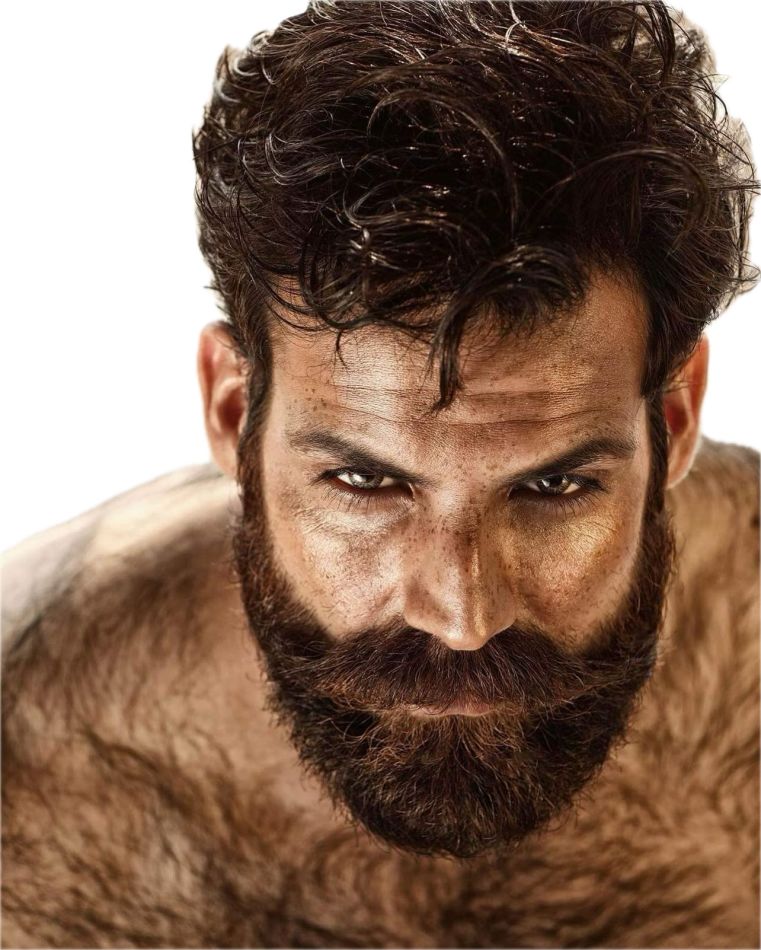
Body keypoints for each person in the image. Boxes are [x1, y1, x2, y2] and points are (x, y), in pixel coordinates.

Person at [2, 1, 759, 946]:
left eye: (553, 487)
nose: (461, 615)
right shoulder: (21, 772)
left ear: (673, 419)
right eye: (365, 485)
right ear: (233, 412)